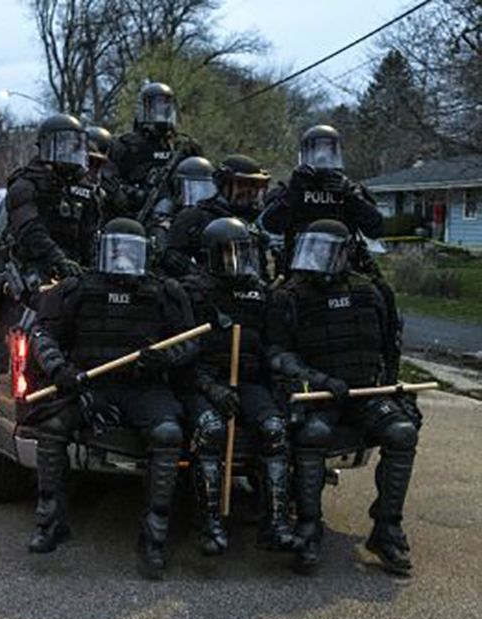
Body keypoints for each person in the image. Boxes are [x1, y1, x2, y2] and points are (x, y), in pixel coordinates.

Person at [27, 218, 197, 578]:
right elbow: (43, 334)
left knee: (168, 435)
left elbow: (191, 341)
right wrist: (60, 371)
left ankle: (155, 537)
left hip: (143, 387)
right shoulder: (77, 289)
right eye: (116, 250)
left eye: (131, 252)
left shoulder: (163, 292)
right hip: (89, 385)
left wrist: (166, 357)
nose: (123, 260)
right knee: (53, 426)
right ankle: (51, 521)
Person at [265, 219, 420, 576]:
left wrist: (393, 387)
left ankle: (387, 529)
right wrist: (316, 379)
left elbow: (388, 349)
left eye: (327, 251)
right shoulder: (290, 296)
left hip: (366, 394)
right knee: (313, 435)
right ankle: (308, 526)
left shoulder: (370, 292)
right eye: (313, 249)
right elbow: (277, 354)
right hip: (320, 396)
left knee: (401, 432)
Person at [178, 218, 294, 556]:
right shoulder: (192, 292)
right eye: (225, 254)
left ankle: (275, 524)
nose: (234, 262)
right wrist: (212, 390)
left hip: (248, 381)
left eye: (240, 254)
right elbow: (181, 356)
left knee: (274, 430)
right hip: (204, 382)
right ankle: (209, 524)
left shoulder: (261, 293)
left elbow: (274, 344)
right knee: (211, 430)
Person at [0, 113, 103, 375]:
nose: (70, 152)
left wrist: (92, 264)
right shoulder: (25, 184)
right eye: (63, 145)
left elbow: (91, 233)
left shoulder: (86, 189)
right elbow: (29, 229)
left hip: (73, 262)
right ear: (46, 147)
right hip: (26, 256)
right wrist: (58, 260)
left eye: (74, 145)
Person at [260, 125, 384, 276]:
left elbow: (376, 230)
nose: (322, 158)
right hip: (299, 272)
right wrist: (294, 193)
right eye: (315, 151)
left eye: (328, 152)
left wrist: (352, 198)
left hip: (345, 271)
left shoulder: (351, 190)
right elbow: (270, 224)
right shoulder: (292, 188)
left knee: (381, 293)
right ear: (304, 155)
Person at [161, 155, 270, 278]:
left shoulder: (252, 225)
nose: (249, 191)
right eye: (242, 184)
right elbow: (171, 257)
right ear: (223, 184)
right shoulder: (195, 217)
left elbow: (260, 270)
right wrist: (202, 278)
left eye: (255, 186)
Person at [106, 82, 202, 221]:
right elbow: (109, 181)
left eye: (166, 107)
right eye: (156, 107)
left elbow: (203, 182)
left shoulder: (186, 147)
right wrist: (134, 194)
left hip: (180, 215)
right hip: (135, 214)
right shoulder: (124, 145)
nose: (161, 113)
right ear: (143, 109)